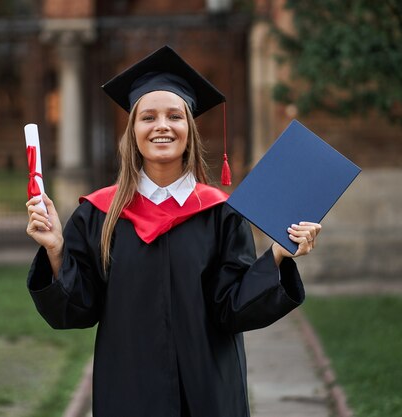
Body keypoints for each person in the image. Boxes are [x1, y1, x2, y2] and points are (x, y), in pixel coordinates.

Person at [25, 46, 321, 417]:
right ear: (132, 131)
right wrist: (55, 250)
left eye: (174, 116)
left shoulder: (220, 213)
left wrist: (277, 256)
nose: (162, 125)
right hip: (128, 389)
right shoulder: (98, 214)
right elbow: (78, 309)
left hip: (207, 389)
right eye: (148, 117)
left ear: (189, 130)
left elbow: (232, 308)